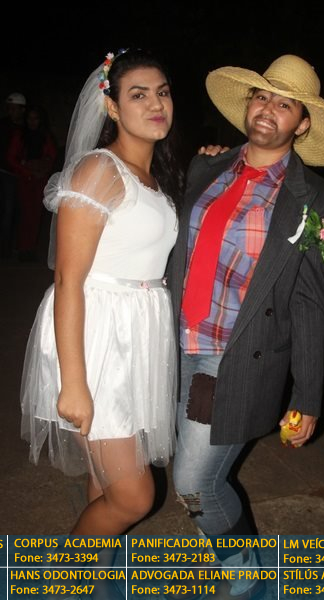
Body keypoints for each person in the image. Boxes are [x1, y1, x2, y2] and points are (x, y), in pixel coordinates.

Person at [169, 54, 324, 599]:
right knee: (185, 466)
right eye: (262, 96)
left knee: (194, 483)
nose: (268, 109)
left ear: (303, 123)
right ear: (248, 105)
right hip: (174, 340)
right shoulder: (205, 166)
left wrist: (309, 397)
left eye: (285, 104)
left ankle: (242, 567)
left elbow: (312, 303)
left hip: (232, 356)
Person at [20, 48, 184, 537]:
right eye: (138, 95)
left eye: (162, 92)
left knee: (106, 482)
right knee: (134, 496)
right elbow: (68, 280)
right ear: (112, 107)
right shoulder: (99, 170)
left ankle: (92, 573)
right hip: (98, 342)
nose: (155, 104)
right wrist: (74, 382)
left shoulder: (150, 177)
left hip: (136, 337)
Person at [7, 104, 58, 261]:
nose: (32, 122)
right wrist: (27, 171)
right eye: (30, 118)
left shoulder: (45, 136)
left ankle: (30, 249)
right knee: (24, 214)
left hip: (39, 179)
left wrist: (42, 170)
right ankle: (22, 248)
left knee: (36, 214)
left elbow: (52, 156)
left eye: (35, 119)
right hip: (24, 179)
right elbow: (11, 158)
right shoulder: (20, 135)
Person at [0, 92, 26, 257]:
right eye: (9, 108)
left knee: (17, 210)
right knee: (7, 210)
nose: (11, 111)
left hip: (20, 174)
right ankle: (4, 248)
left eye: (15, 108)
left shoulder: (26, 126)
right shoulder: (3, 125)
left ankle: (12, 245)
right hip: (5, 172)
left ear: (22, 109)